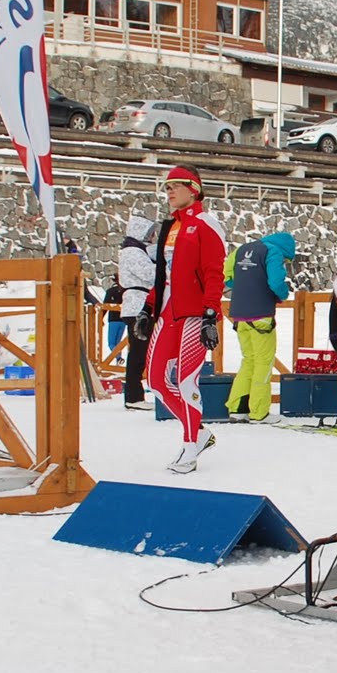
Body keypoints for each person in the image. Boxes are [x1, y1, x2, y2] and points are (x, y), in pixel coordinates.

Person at [145, 167, 225, 472]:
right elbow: (163, 275)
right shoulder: (170, 228)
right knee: (155, 381)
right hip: (168, 312)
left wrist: (209, 313)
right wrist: (146, 307)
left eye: (175, 186)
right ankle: (200, 432)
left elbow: (213, 272)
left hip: (194, 312)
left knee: (186, 379)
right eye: (166, 188)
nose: (169, 192)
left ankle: (190, 444)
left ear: (193, 189)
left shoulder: (206, 223)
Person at [224, 230, 295, 423]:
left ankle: (237, 409)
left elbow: (227, 276)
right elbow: (276, 282)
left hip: (239, 314)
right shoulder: (273, 252)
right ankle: (259, 412)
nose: (285, 262)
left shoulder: (242, 249)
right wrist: (282, 294)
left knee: (248, 360)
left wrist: (245, 286)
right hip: (261, 315)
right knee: (263, 363)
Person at [117, 215, 158, 410]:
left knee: (139, 351)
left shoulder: (133, 251)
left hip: (136, 304)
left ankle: (135, 394)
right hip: (138, 305)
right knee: (139, 353)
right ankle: (134, 396)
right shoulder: (133, 252)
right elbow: (150, 275)